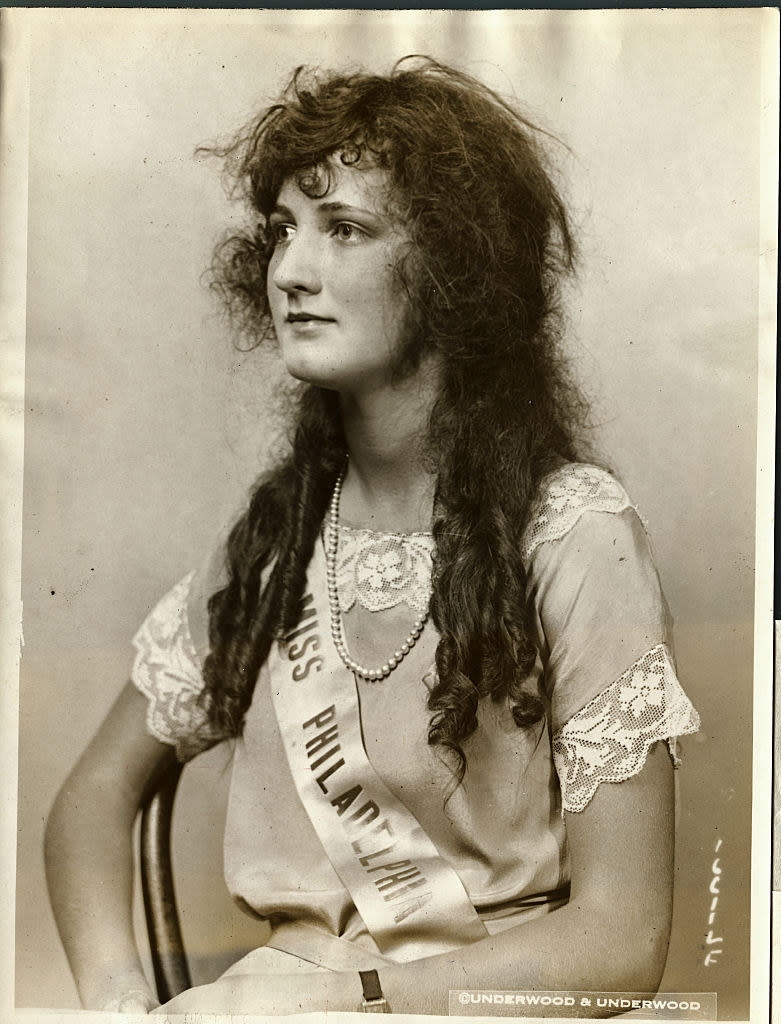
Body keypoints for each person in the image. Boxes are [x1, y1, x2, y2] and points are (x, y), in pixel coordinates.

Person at [44, 56, 700, 1016]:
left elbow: (622, 938)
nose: (290, 272)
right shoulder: (274, 544)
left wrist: (348, 998)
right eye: (280, 232)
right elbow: (90, 804)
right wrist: (120, 1005)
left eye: (343, 229)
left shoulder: (569, 532)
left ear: (451, 267)